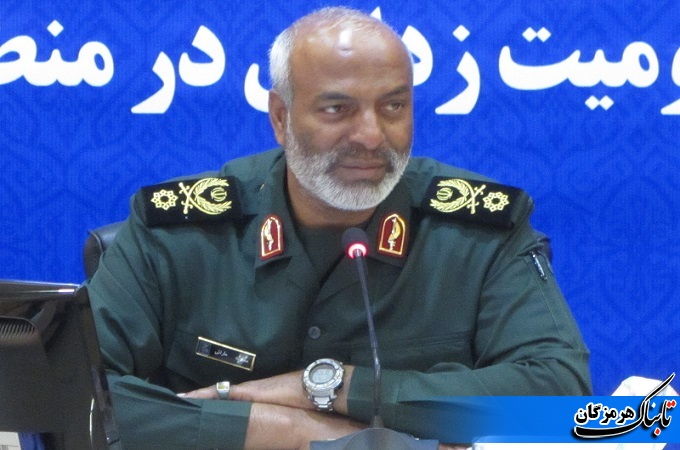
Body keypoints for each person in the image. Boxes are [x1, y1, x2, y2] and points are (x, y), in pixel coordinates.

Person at [87, 6, 592, 449]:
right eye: (337, 109)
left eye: (393, 106)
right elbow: (76, 394)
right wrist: (285, 432)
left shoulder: (480, 230)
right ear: (281, 118)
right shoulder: (179, 231)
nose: (372, 136)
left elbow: (562, 402)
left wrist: (329, 387)